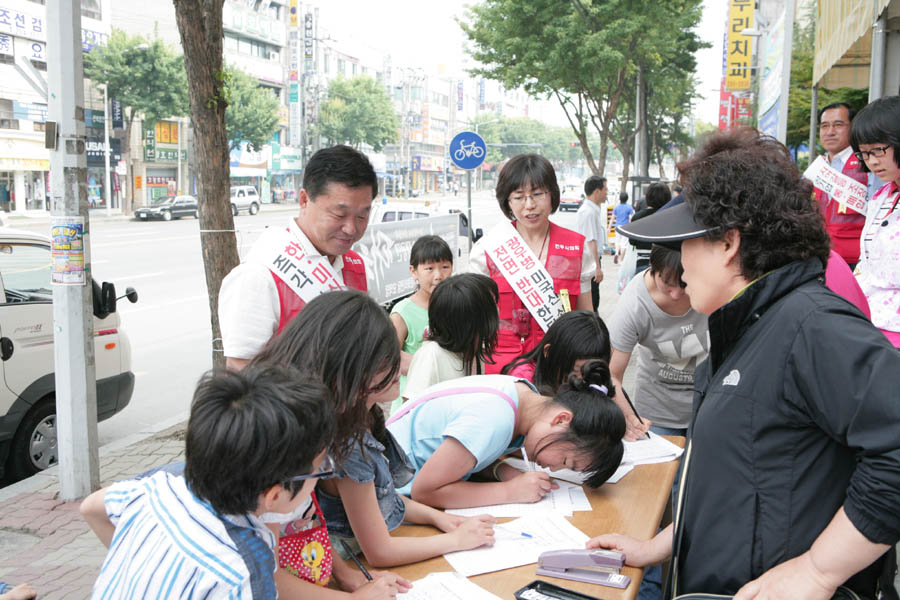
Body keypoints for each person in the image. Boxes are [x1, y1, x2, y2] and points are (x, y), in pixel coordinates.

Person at [597, 128, 900, 599]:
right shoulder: (744, 327)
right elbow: (735, 480)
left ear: (728, 244)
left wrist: (819, 570)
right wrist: (658, 546)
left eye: (686, 243)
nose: (680, 263)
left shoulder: (812, 326)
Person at [252, 291, 495, 573]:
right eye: (386, 360)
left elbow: (382, 496)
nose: (400, 366)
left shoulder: (359, 420)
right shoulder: (347, 445)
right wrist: (456, 540)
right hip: (336, 565)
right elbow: (380, 551)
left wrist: (438, 519)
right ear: (351, 369)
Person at [81, 365, 342, 600]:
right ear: (274, 495)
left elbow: (90, 507)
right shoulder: (243, 570)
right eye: (319, 470)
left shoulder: (154, 489)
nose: (322, 474)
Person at [219, 145, 377, 371]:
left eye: (362, 216)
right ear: (304, 200)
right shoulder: (258, 276)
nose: (351, 228)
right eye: (339, 214)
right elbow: (240, 368)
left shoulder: (354, 265)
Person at [387, 360, 626, 509]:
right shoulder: (494, 417)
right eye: (565, 461)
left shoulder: (524, 398)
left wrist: (501, 470)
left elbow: (467, 454)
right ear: (561, 419)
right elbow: (425, 492)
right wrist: (509, 492)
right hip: (387, 487)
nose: (554, 468)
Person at [469, 154, 594, 374]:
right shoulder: (487, 249)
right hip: (503, 370)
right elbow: (475, 321)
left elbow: (586, 315)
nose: (529, 205)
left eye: (537, 194)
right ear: (507, 201)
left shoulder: (577, 247)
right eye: (519, 197)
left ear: (552, 194)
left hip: (559, 368)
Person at [608, 244, 708, 442]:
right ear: (653, 268)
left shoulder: (714, 286)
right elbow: (611, 374)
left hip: (709, 406)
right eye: (667, 283)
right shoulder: (636, 302)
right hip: (657, 412)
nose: (676, 294)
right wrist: (629, 418)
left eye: (685, 284)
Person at [849, 95, 900, 348]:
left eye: (878, 150)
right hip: (871, 324)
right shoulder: (881, 197)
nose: (872, 161)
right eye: (865, 153)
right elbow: (866, 263)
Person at [401, 273, 499, 403]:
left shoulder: (473, 349)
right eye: (492, 306)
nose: (498, 310)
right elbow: (411, 409)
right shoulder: (431, 356)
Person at [389, 235, 454, 412]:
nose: (438, 276)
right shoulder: (403, 312)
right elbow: (389, 356)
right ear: (414, 271)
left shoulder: (455, 306)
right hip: (412, 404)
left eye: (445, 267)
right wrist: (429, 366)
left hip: (446, 400)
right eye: (429, 269)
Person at [815, 102, 881, 270]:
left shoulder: (868, 163)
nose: (830, 132)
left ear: (853, 128)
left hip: (856, 261)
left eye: (838, 125)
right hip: (820, 256)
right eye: (824, 126)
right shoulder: (817, 168)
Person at [501, 309, 611, 393]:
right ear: (548, 352)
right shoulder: (524, 380)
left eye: (588, 375)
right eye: (571, 373)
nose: (580, 382)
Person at [573, 175, 607, 311]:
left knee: (594, 298)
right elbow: (590, 241)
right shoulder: (588, 212)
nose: (606, 193)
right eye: (605, 189)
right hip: (589, 262)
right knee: (592, 301)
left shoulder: (592, 210)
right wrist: (597, 267)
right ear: (597, 191)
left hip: (591, 261)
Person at [630, 182, 671, 272]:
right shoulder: (670, 217)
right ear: (668, 198)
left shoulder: (637, 217)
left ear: (648, 197)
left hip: (642, 263)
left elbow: (632, 241)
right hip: (665, 265)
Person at [613, 192, 634, 265]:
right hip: (625, 228)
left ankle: (616, 253)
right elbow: (631, 217)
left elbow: (613, 217)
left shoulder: (617, 207)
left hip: (617, 227)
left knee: (617, 242)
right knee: (624, 244)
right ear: (627, 199)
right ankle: (621, 259)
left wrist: (609, 228)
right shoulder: (629, 207)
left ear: (620, 199)